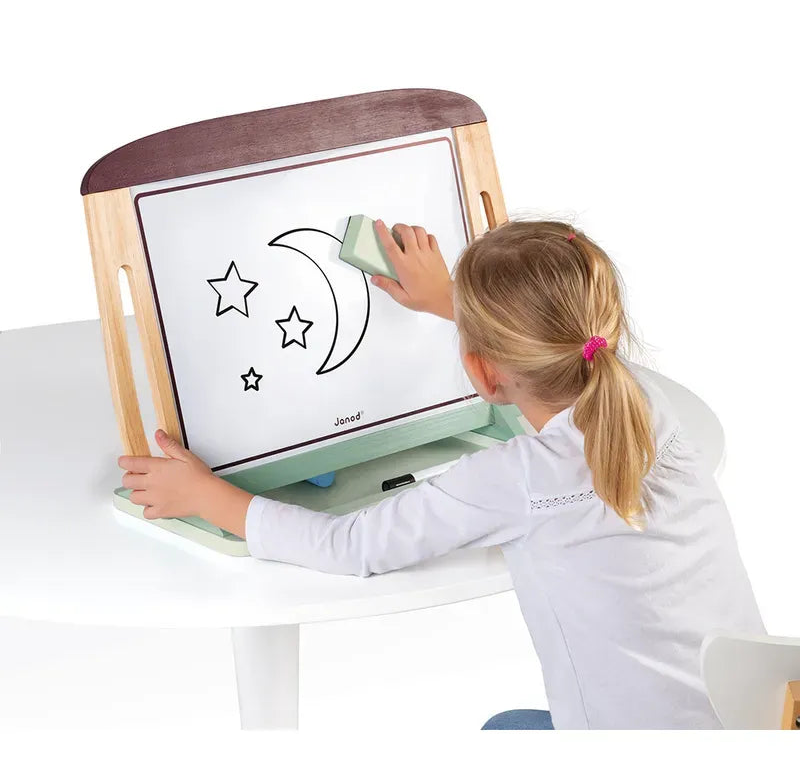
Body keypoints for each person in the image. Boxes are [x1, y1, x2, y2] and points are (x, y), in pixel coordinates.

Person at [118, 219, 763, 729]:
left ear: (484, 372)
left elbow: (350, 547)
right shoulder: (648, 402)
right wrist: (455, 304)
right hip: (755, 724)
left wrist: (207, 495)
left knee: (502, 732)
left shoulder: (520, 478)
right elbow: (554, 345)